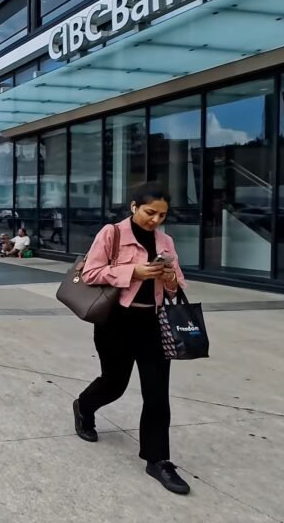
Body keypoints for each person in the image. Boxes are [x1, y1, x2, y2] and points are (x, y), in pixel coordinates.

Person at [73, 182, 190, 495]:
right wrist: (133, 272)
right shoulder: (111, 234)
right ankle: (84, 406)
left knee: (157, 393)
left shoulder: (165, 240)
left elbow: (177, 285)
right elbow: (90, 274)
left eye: (162, 215)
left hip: (153, 322)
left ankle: (158, 460)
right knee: (114, 383)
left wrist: (170, 279)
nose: (155, 220)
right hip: (116, 321)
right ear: (134, 206)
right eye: (150, 212)